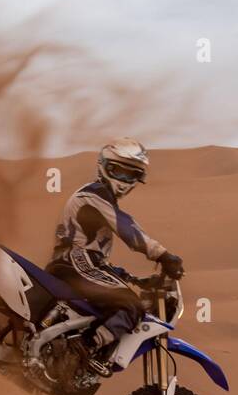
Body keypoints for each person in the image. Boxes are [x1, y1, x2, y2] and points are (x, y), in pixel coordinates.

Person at [46, 138, 184, 371]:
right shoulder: (94, 195)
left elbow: (99, 261)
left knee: (121, 297)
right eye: (118, 171)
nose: (123, 180)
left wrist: (133, 279)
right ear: (104, 167)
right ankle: (86, 348)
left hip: (78, 263)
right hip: (75, 261)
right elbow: (128, 229)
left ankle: (74, 346)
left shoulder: (98, 198)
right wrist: (163, 255)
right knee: (131, 305)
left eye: (130, 175)